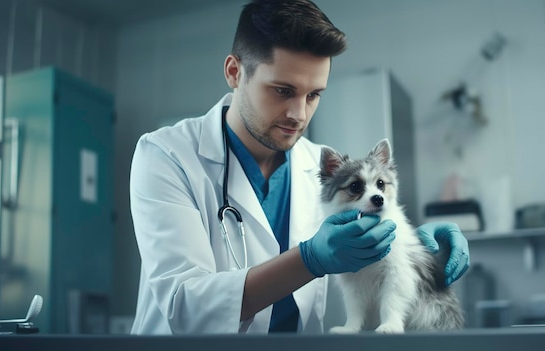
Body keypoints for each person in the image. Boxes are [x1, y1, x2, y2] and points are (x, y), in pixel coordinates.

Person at [129, 0, 469, 335]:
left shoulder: (322, 167)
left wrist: (412, 256)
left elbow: (350, 304)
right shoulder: (166, 154)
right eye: (282, 90)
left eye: (313, 95)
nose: (299, 114)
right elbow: (183, 308)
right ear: (235, 72)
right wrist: (308, 261)